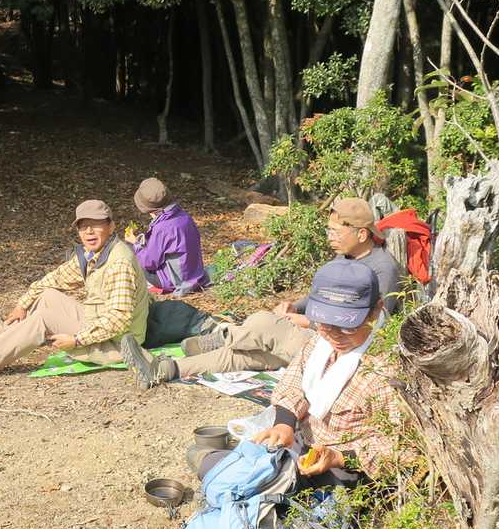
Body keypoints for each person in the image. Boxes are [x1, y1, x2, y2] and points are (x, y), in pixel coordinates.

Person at [120, 197, 406, 390]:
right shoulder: (345, 257)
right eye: (328, 231)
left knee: (261, 323)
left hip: (338, 348)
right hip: (316, 340)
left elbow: (374, 324)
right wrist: (293, 306)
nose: (330, 237)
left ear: (361, 234)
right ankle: (165, 370)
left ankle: (225, 334)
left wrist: (307, 322)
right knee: (244, 356)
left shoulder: (383, 269)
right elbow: (319, 297)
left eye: (335, 232)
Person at [0, 200, 149, 377]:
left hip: (118, 344)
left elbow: (119, 318)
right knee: (47, 295)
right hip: (98, 323)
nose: (88, 232)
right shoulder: (96, 253)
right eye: (83, 226)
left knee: (44, 318)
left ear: (111, 227)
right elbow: (56, 279)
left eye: (96, 225)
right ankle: (2, 335)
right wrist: (22, 304)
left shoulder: (119, 262)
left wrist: (76, 340)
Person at [251, 258, 406, 483]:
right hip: (303, 441)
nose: (334, 335)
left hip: (349, 468)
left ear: (375, 312)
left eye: (347, 327)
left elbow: (400, 445)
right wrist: (284, 424)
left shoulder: (385, 371)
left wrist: (339, 457)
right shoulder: (320, 343)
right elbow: (293, 382)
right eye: (324, 324)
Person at [125, 177, 209, 296]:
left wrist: (135, 243)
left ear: (150, 210)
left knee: (127, 249)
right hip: (194, 274)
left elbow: (149, 263)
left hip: (173, 281)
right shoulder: (184, 216)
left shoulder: (162, 227)